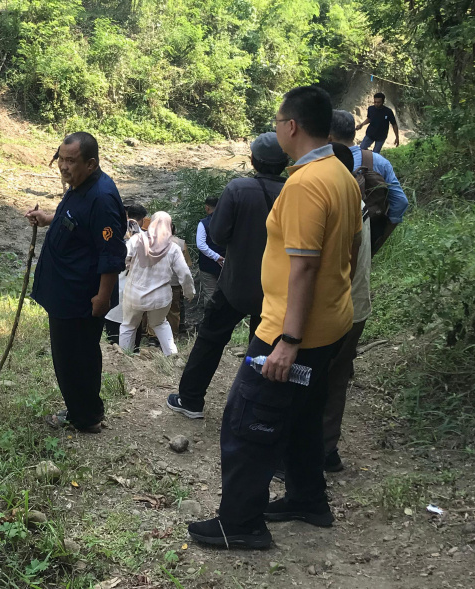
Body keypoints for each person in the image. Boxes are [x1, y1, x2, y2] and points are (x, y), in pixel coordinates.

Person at [188, 86, 362, 549]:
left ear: (292, 127)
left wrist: (288, 339)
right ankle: (308, 498)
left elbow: (304, 265)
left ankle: (240, 522)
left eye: (278, 121)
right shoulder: (342, 174)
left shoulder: (306, 183)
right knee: (303, 416)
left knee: (247, 421)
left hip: (292, 330)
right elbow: (352, 248)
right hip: (331, 324)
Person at [168, 133, 289, 419]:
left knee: (211, 339)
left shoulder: (238, 188)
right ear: (285, 162)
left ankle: (191, 400)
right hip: (277, 290)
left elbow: (219, 234)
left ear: (252, 161)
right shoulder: (296, 190)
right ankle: (255, 410)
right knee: (263, 346)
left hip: (236, 284)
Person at [322, 110, 409, 471]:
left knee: (308, 373)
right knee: (338, 375)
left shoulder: (321, 178)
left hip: (325, 301)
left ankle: (298, 451)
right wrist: (374, 245)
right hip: (356, 295)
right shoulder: (376, 162)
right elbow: (400, 205)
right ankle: (328, 451)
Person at [26, 132, 127, 434]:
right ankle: (82, 408)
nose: (64, 166)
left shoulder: (102, 197)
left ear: (91, 163)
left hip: (82, 295)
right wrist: (47, 218)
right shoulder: (79, 187)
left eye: (71, 161)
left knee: (77, 357)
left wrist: (102, 297)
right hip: (63, 290)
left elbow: (111, 253)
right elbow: (76, 219)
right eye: (61, 158)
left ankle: (85, 417)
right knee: (69, 355)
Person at [119, 212, 195, 356]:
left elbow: (123, 258)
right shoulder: (173, 248)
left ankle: (124, 359)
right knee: (160, 324)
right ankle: (171, 355)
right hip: (159, 298)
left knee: (129, 325)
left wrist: (129, 265)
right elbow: (184, 273)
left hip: (134, 295)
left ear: (152, 223)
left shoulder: (136, 240)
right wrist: (189, 292)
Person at [338, 109, 410, 253]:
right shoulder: (378, 161)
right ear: (353, 132)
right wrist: (379, 237)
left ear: (328, 136)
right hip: (367, 236)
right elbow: (401, 202)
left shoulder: (323, 164)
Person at [104, 204, 148, 345]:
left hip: (116, 285)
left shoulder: (114, 232)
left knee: (113, 334)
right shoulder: (146, 238)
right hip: (137, 290)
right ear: (143, 219)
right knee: (133, 327)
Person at [195, 196, 224, 304]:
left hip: (208, 265)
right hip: (226, 264)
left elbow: (201, 245)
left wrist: (216, 257)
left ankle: (210, 319)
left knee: (210, 294)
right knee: (224, 294)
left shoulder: (203, 223)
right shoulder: (229, 221)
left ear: (207, 208)